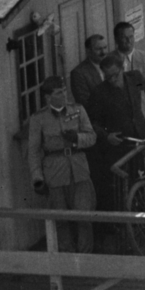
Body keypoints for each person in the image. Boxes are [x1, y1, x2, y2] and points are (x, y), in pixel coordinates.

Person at [26, 75, 97, 255]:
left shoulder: (78, 110)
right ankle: (67, 257)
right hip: (55, 173)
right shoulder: (38, 119)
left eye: (64, 91)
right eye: (58, 93)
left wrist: (77, 139)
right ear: (48, 97)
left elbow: (92, 137)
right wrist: (37, 178)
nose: (64, 95)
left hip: (79, 170)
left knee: (84, 216)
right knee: (60, 220)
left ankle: (85, 256)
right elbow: (33, 151)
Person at [84, 55, 145, 224]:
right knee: (121, 187)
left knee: (141, 180)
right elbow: (92, 121)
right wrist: (106, 136)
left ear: (122, 69)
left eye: (115, 75)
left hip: (139, 139)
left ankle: (141, 220)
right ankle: (123, 225)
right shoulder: (99, 92)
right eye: (108, 77)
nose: (112, 79)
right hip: (118, 146)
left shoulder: (134, 79)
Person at [68, 33, 109, 108]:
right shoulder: (79, 73)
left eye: (105, 47)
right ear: (88, 51)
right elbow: (85, 103)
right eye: (98, 49)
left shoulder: (112, 65)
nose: (104, 52)